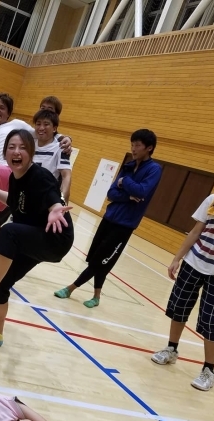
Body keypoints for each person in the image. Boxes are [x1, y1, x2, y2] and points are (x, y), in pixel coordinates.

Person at [0, 130, 74, 347]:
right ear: (5, 153)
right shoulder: (15, 177)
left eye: (23, 147)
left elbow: (55, 198)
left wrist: (55, 209)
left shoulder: (40, 176)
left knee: (8, 231)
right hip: (36, 236)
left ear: (31, 153)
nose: (16, 152)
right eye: (11, 147)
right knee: (4, 284)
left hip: (55, 238)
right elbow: (14, 202)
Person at [151, 158, 214, 391]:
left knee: (209, 320)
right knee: (178, 308)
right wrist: (177, 258)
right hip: (193, 262)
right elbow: (196, 231)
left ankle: (209, 370)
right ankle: (171, 349)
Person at [0, 94, 71, 276]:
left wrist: (66, 138)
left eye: (2, 107)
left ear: (9, 113)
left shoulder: (17, 127)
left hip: (8, 175)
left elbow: (44, 129)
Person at [54, 129, 161, 308]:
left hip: (125, 225)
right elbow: (111, 193)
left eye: (138, 146)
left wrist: (123, 183)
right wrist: (127, 195)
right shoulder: (128, 165)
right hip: (109, 217)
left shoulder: (154, 169)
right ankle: (96, 297)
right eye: (132, 145)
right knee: (96, 257)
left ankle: (71, 288)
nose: (133, 149)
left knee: (101, 260)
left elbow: (142, 191)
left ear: (149, 148)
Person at [32, 109, 72, 204]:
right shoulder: (29, 145)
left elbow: (66, 175)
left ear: (54, 128)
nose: (41, 128)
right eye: (38, 124)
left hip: (47, 199)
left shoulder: (61, 147)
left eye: (46, 124)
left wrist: (61, 199)